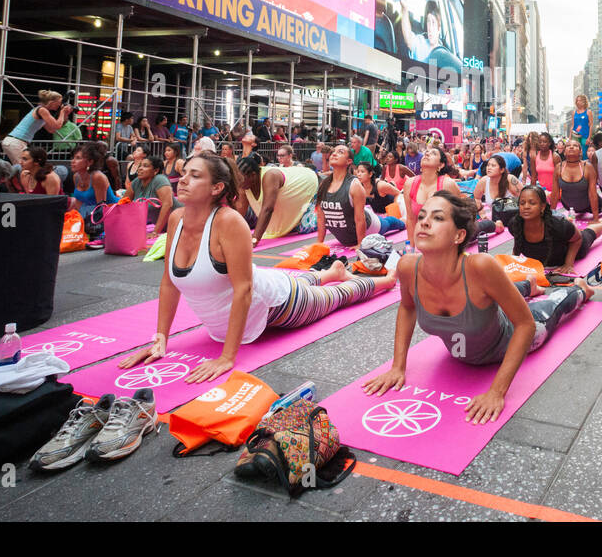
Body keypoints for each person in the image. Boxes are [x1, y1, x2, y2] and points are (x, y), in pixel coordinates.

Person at [120, 154, 398, 385]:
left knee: (339, 296)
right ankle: (330, 273)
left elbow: (245, 289)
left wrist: (228, 356)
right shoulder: (176, 218)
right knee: (296, 279)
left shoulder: (229, 222)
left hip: (280, 305)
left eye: (195, 175)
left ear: (217, 188)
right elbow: (170, 282)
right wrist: (160, 340)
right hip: (267, 285)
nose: (183, 179)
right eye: (185, 172)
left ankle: (385, 281)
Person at [361, 192, 592, 424]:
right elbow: (408, 308)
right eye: (422, 216)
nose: (424, 222)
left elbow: (525, 325)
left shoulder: (481, 265)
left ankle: (580, 289)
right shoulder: (408, 267)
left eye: (438, 218)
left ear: (459, 235)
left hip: (509, 335)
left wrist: (497, 392)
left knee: (556, 304)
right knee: (489, 291)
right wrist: (397, 367)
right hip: (475, 324)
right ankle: (527, 286)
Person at [508, 185, 602, 269]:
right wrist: (513, 263)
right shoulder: (514, 224)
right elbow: (517, 242)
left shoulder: (558, 225)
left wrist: (568, 264)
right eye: (522, 203)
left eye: (532, 203)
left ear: (542, 207)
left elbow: (578, 238)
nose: (526, 206)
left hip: (570, 250)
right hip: (546, 258)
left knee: (587, 235)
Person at [316, 145, 397, 250]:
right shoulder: (324, 184)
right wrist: (319, 243)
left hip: (371, 226)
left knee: (391, 223)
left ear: (349, 161)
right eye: (333, 152)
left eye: (340, 152)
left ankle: (402, 221)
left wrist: (361, 244)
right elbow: (321, 217)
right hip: (347, 237)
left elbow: (360, 219)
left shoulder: (354, 185)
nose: (334, 154)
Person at [238, 152, 319, 240]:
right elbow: (240, 209)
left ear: (253, 175)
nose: (237, 182)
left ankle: (323, 214)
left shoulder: (270, 176)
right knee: (286, 225)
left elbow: (268, 209)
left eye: (240, 179)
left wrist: (254, 239)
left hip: (307, 182)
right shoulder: (243, 183)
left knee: (305, 227)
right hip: (291, 194)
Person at [403, 146, 464, 245]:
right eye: (426, 152)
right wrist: (412, 248)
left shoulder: (447, 184)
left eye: (433, 153)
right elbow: (411, 219)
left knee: (482, 227)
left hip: (449, 235)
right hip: (426, 233)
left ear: (441, 165)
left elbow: (460, 218)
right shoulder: (410, 184)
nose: (427, 154)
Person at [1, 91, 72, 165]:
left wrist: (64, 114)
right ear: (51, 102)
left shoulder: (41, 111)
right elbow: (57, 125)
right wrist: (62, 112)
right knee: (25, 168)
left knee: (22, 168)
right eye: (59, 102)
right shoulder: (42, 110)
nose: (60, 105)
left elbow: (52, 130)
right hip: (16, 142)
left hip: (15, 142)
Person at [126, 154, 179, 235]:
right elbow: (123, 204)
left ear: (156, 171)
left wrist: (155, 231)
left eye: (145, 166)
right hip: (164, 228)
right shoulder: (136, 182)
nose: (140, 168)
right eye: (140, 166)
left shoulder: (160, 179)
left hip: (180, 223)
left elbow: (168, 204)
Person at [552, 139, 602, 221]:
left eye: (575, 146)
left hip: (589, 205)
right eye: (568, 146)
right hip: (568, 206)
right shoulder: (559, 167)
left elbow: (593, 194)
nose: (571, 147)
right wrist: (552, 216)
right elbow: (555, 193)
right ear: (564, 152)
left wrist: (596, 219)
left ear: (580, 152)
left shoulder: (588, 167)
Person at [63, 144, 119, 217]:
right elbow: (79, 202)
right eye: (73, 158)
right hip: (90, 215)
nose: (73, 161)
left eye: (78, 158)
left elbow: (101, 207)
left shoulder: (97, 177)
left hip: (113, 213)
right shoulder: (76, 177)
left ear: (90, 162)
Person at [356, 162, 406, 230]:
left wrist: (393, 212)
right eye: (358, 171)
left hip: (396, 209)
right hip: (380, 215)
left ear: (370, 174)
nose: (359, 174)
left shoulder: (380, 185)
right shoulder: (359, 189)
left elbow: (398, 194)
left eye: (362, 172)